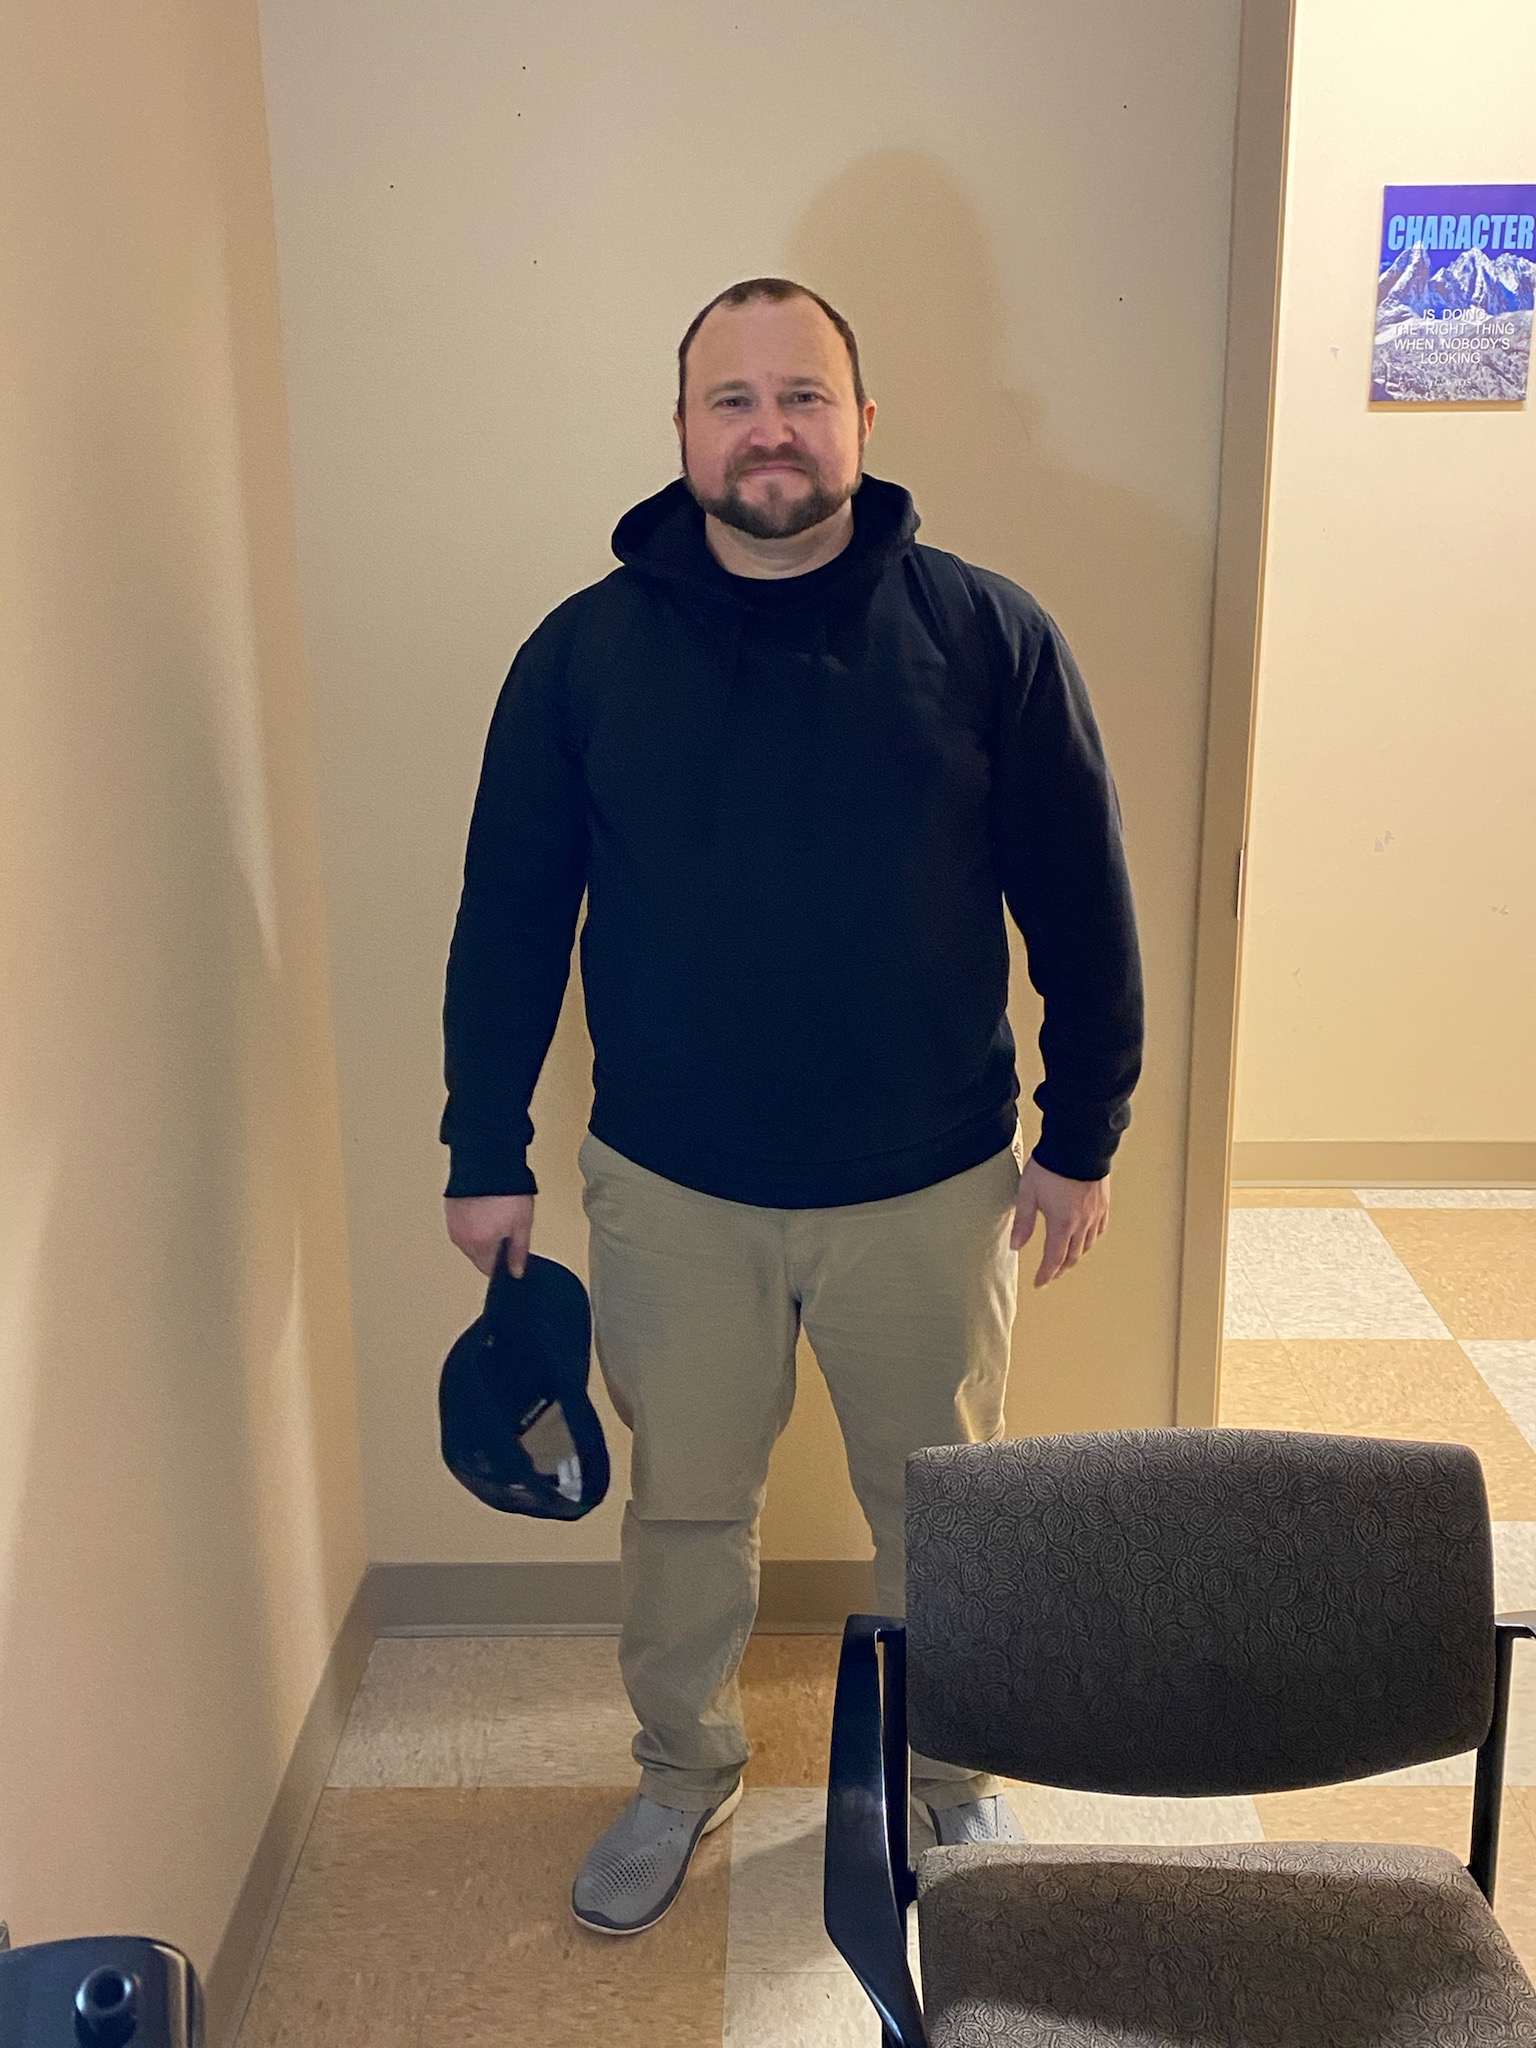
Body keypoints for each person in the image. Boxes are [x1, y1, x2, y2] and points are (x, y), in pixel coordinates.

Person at [440, 277, 1143, 1935]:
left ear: (863, 423)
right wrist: (486, 1146)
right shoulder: (581, 655)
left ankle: (952, 1771)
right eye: (734, 400)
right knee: (685, 1510)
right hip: (673, 1189)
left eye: (804, 397)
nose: (771, 431)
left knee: (945, 1512)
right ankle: (682, 1767)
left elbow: (1082, 903)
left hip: (935, 1184)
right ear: (684, 430)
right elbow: (510, 914)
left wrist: (1083, 1133)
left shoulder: (988, 635)